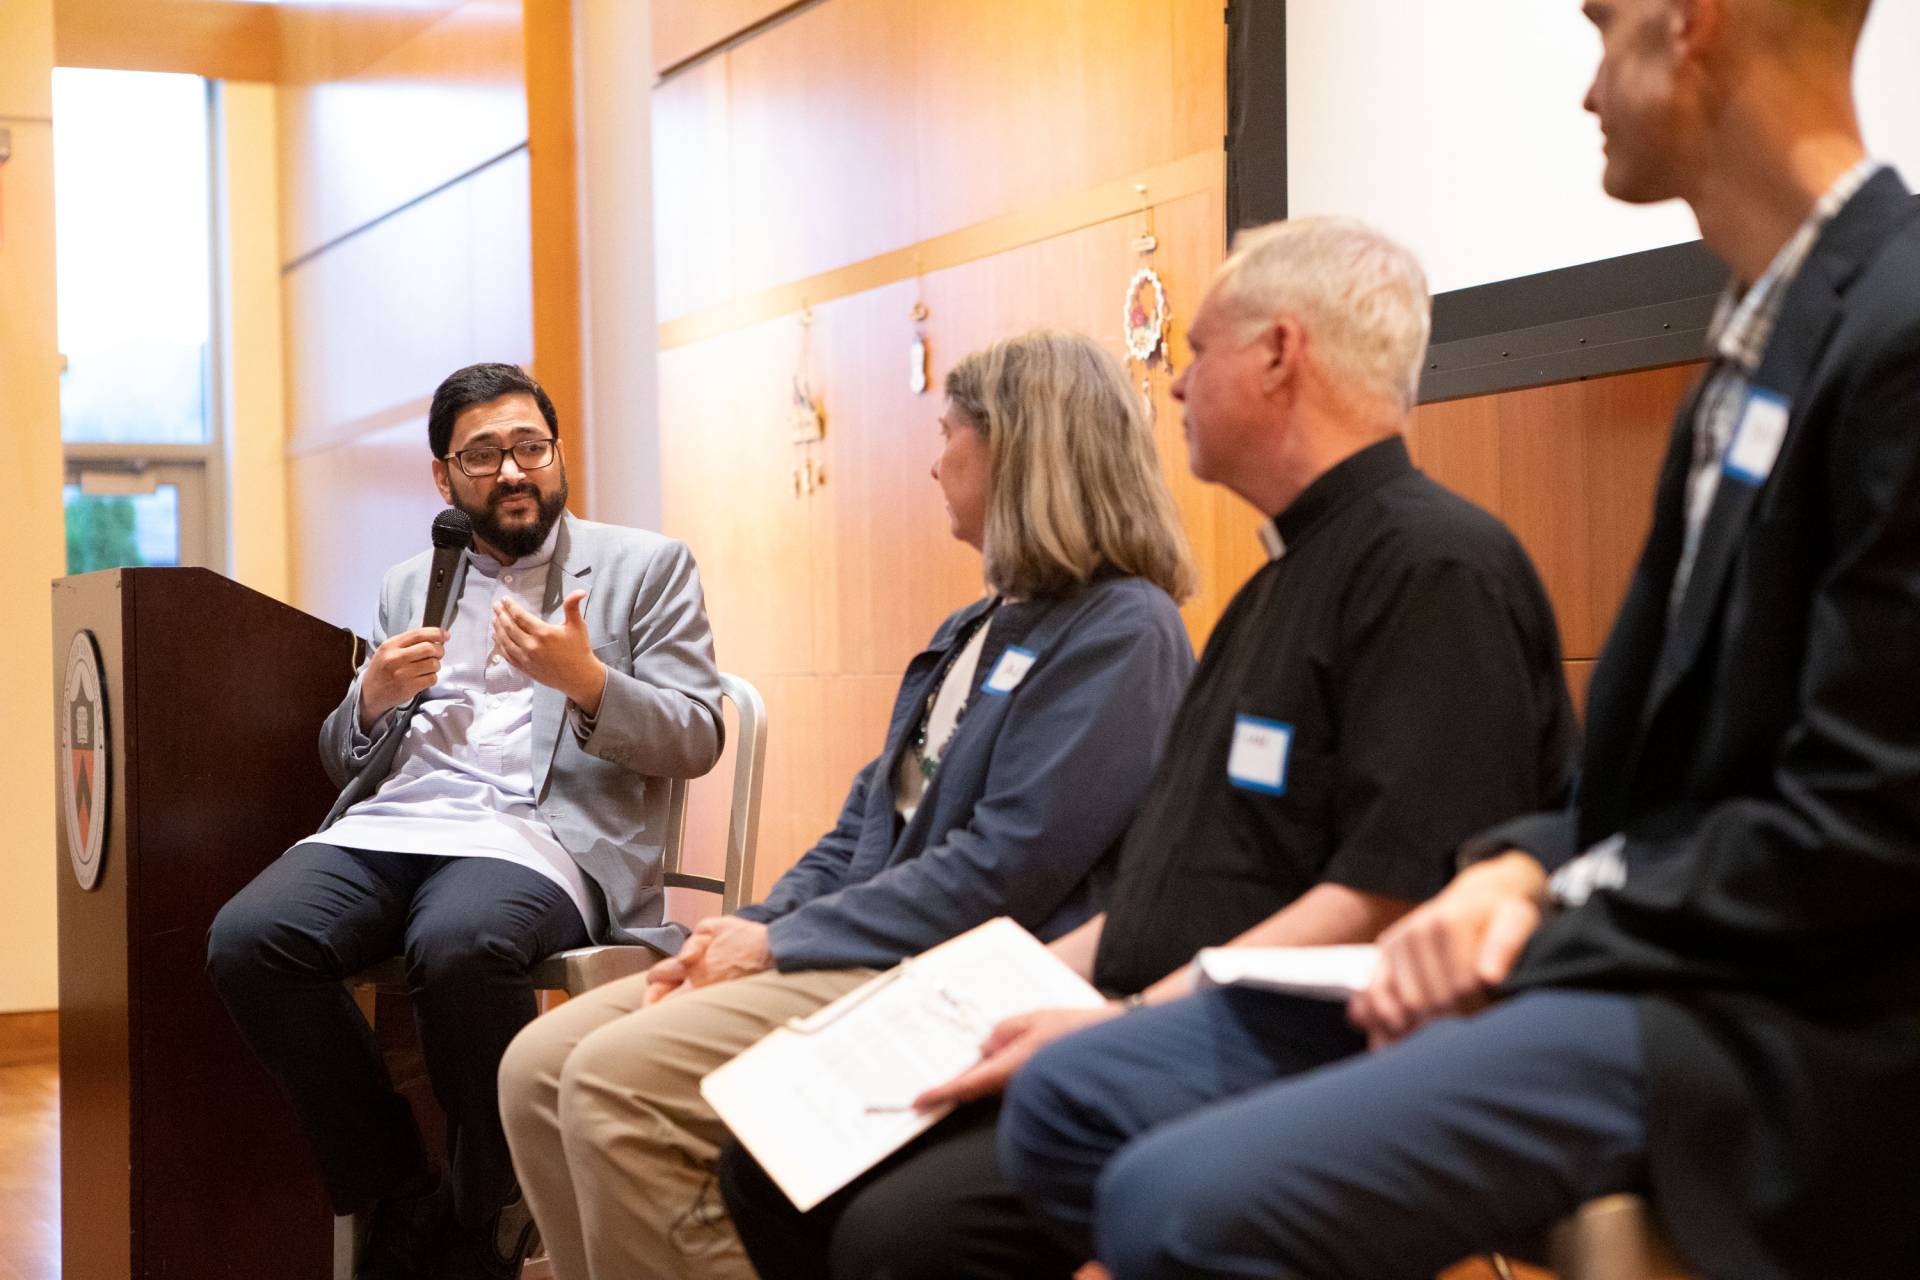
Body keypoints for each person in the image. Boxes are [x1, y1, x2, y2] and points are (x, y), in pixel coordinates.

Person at [999, 1, 1920, 1276]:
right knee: (1069, 1116)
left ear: (1690, 23)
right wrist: (1517, 869)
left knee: (1169, 1201)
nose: (1588, 89)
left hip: (1785, 1023)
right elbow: (1642, 789)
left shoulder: (1895, 331)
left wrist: (1540, 906)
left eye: (1602, 31)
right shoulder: (1758, 347)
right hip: (1667, 960)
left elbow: (1867, 825)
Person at [717, 217, 1578, 1280]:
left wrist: (1116, 1018)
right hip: (1152, 1004)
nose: (1171, 385)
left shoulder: (1434, 569)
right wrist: (971, 999)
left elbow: (1387, 897)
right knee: (770, 1154)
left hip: (1288, 1037)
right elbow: (1172, 879)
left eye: (1199, 349)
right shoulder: (1274, 586)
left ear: (1279, 354)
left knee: (902, 1233)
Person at [495, 329, 1199, 1280]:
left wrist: (783, 944)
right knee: (537, 1067)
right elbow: (867, 827)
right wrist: (742, 928)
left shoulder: (1123, 630)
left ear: (1017, 451)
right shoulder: (977, 628)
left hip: (957, 967)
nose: (934, 457)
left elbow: (1006, 868)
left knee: (616, 1085)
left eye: (950, 433)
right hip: (869, 943)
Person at [206, 362, 726, 1280]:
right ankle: (400, 1184)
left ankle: (487, 1205)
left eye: (531, 446)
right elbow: (347, 757)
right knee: (251, 939)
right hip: (398, 823)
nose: (514, 470)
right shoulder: (413, 580)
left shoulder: (646, 566)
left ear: (558, 454)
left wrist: (589, 683)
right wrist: (367, 699)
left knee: (458, 943)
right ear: (444, 479)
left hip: (539, 835)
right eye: (484, 455)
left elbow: (698, 733)